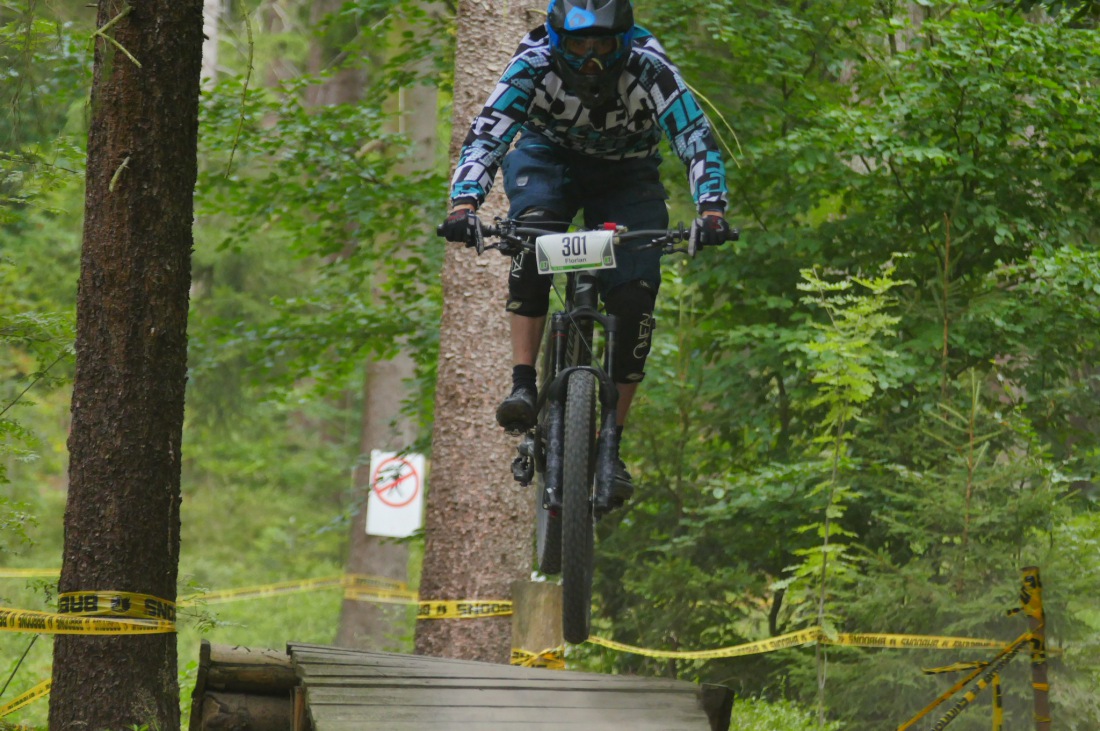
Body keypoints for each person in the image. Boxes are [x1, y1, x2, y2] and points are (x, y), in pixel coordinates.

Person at [440, 0, 730, 505]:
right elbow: (489, 131)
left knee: (637, 293)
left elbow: (693, 134)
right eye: (579, 44)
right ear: (557, 41)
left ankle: (610, 443)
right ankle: (524, 382)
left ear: (623, 40)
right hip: (546, 158)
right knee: (531, 235)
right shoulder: (532, 62)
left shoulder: (649, 64)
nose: (592, 58)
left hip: (627, 173)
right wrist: (465, 202)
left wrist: (711, 210)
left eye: (602, 45)